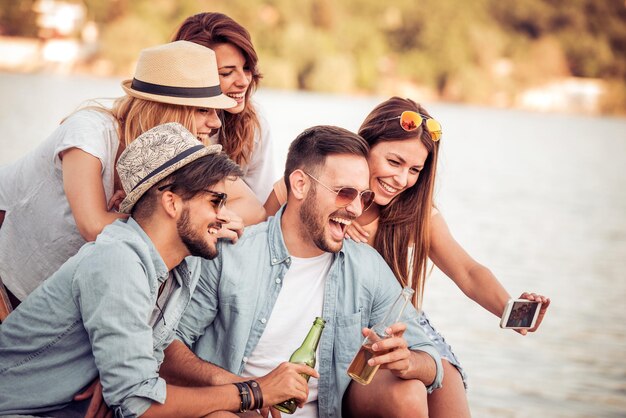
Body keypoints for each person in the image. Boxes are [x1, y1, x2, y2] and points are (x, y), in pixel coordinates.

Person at [0, 123, 313, 417]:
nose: (225, 216)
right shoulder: (117, 261)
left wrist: (241, 387)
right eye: (215, 202)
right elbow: (139, 403)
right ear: (172, 203)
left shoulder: (180, 267)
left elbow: (144, 369)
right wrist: (251, 392)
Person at [265, 97, 551, 417]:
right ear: (366, 145)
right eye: (394, 162)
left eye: (415, 169)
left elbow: (467, 271)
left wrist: (510, 309)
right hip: (341, 326)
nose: (402, 180)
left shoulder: (416, 215)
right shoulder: (317, 187)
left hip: (401, 328)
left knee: (447, 386)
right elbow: (257, 239)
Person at [164, 125, 443, 418]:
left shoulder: (366, 266)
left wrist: (408, 361)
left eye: (365, 197)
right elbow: (168, 346)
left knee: (408, 390)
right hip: (240, 410)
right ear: (299, 184)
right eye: (345, 193)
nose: (356, 209)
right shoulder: (231, 253)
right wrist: (248, 390)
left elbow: (430, 358)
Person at [0, 40, 264, 306]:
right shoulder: (90, 132)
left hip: (52, 298)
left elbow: (252, 206)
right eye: (203, 110)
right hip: (8, 275)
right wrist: (187, 219)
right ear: (166, 108)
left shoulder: (180, 151)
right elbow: (92, 226)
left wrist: (214, 217)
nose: (216, 122)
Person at [173, 12, 275, 202]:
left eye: (246, 68)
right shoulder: (161, 127)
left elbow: (261, 206)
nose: (244, 82)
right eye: (227, 73)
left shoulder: (253, 123)